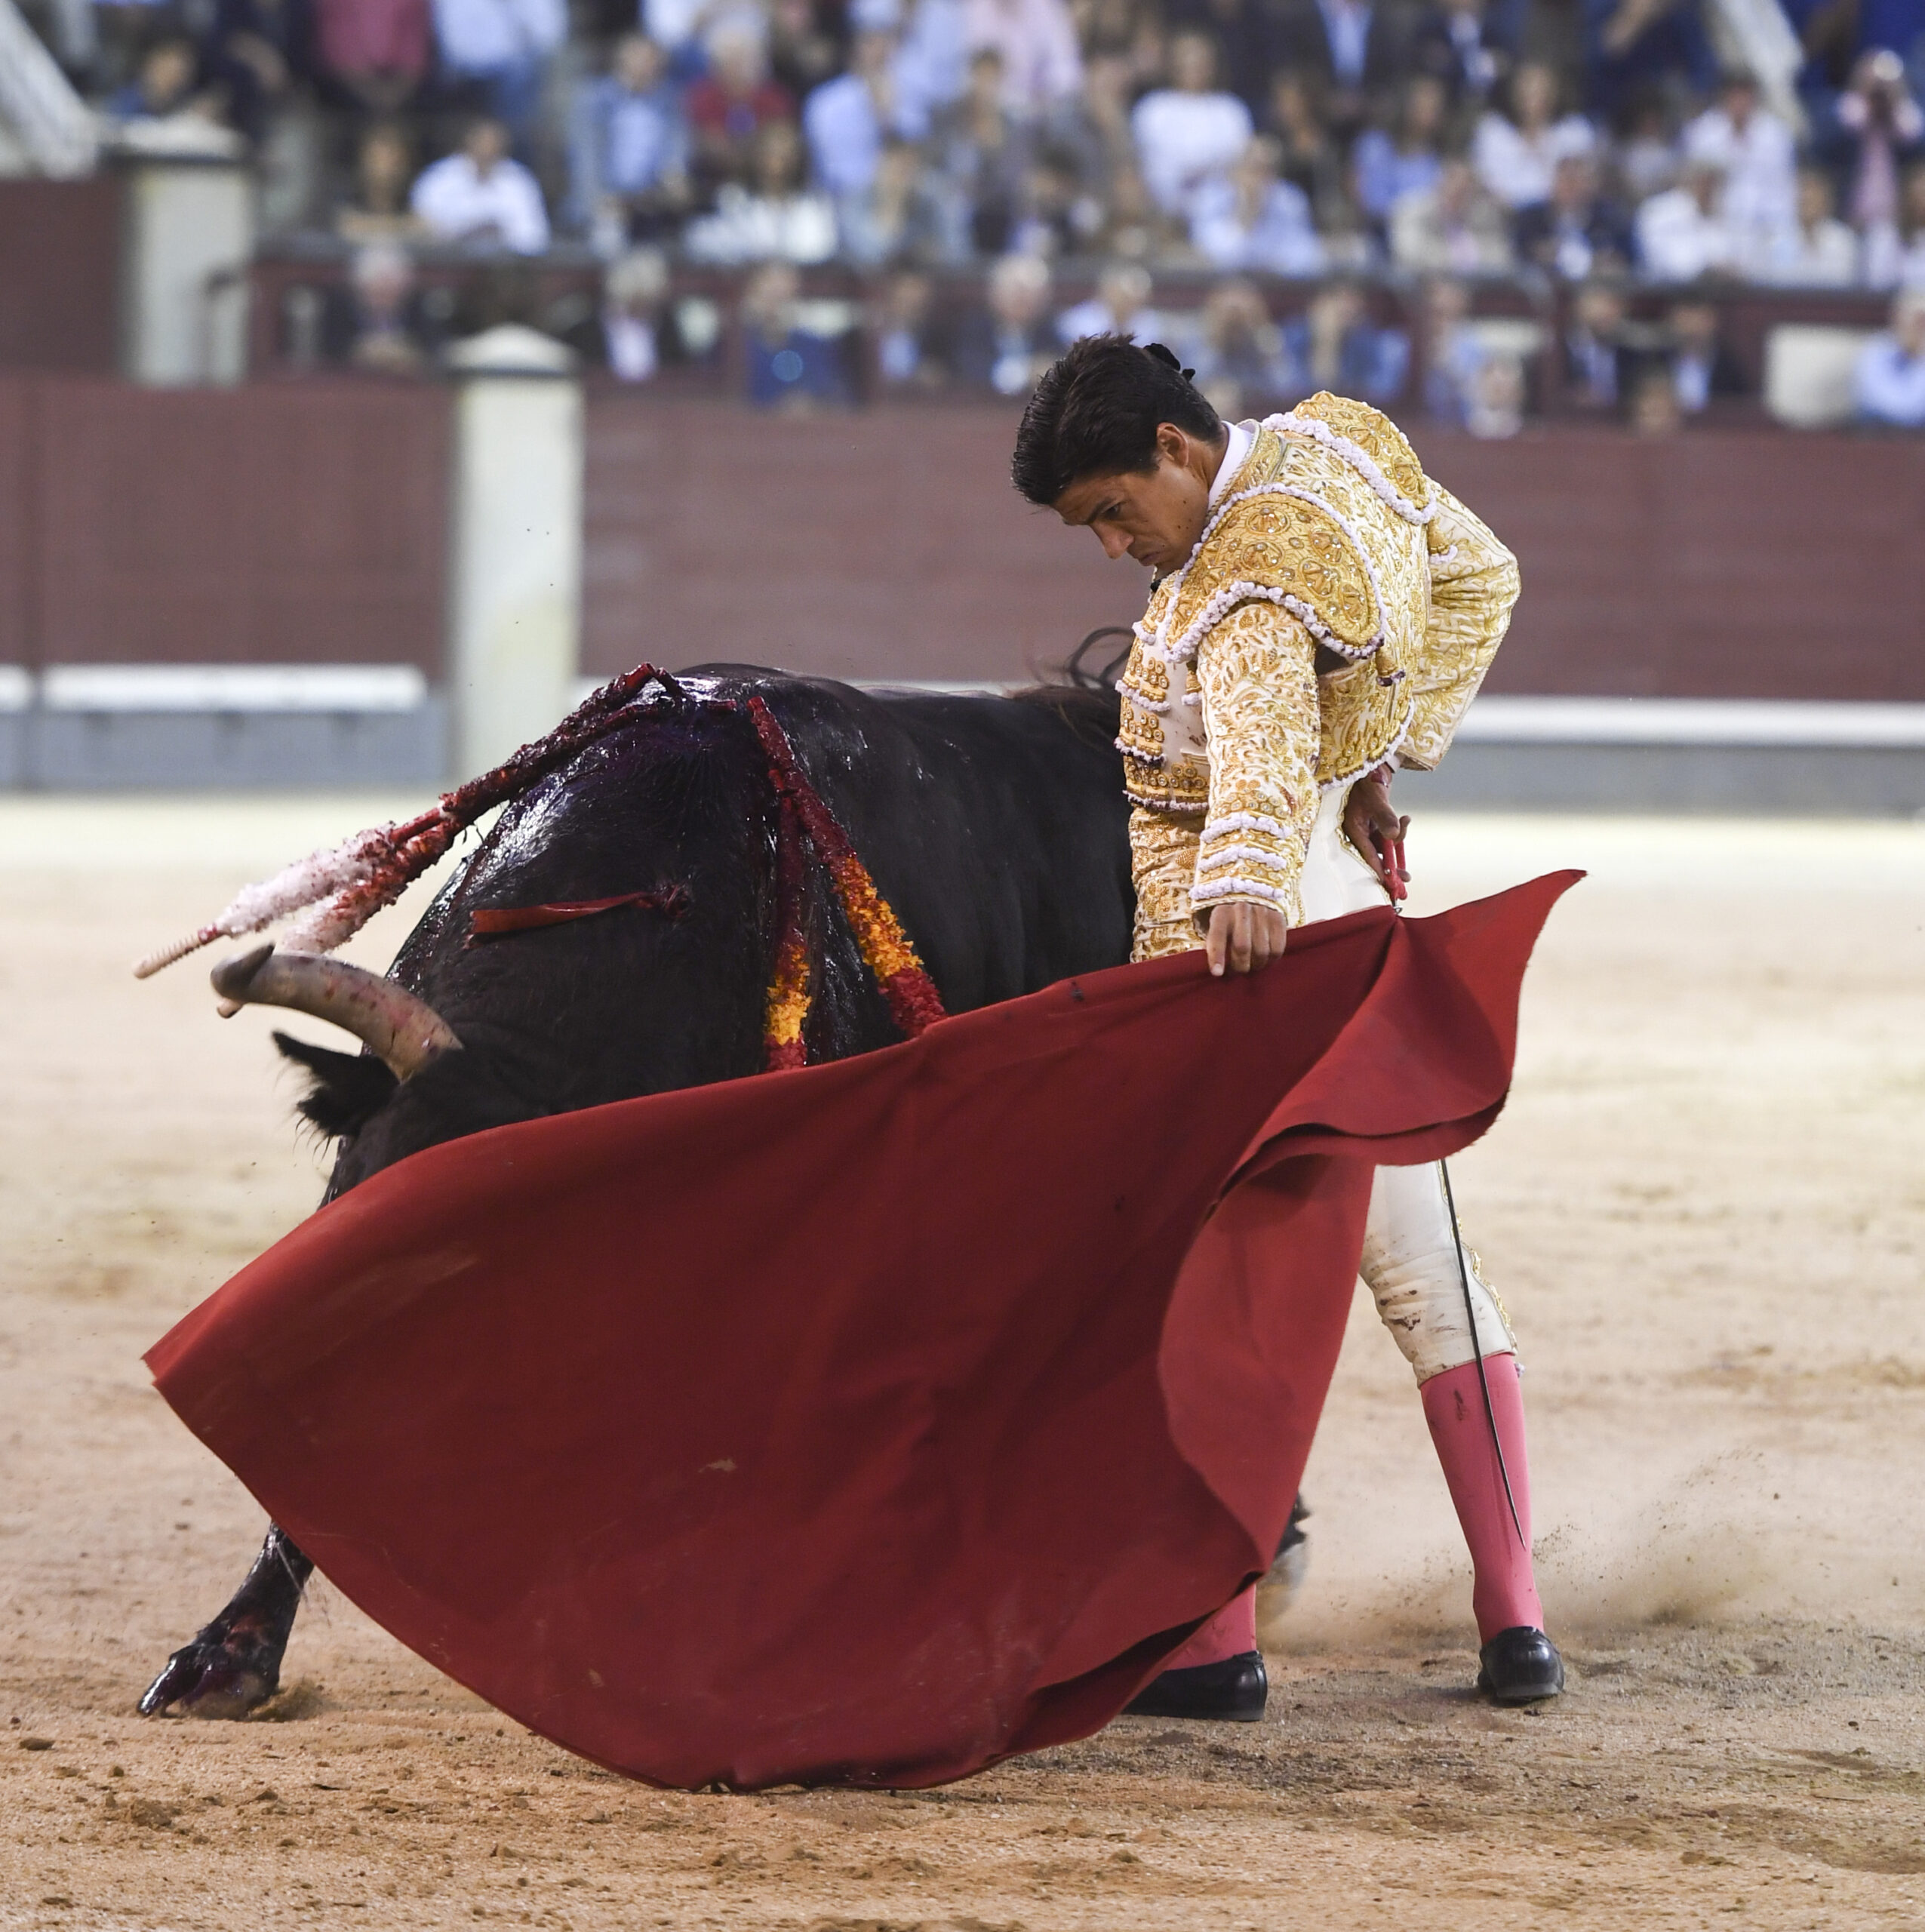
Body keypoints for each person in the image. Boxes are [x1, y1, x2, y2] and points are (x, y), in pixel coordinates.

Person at [1011, 339, 1562, 1715]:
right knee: (1427, 1271)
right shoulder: (1337, 443)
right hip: (1350, 911)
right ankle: (1516, 1623)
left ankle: (1212, 1650)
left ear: (1175, 449)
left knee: (1215, 1282)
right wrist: (1374, 757)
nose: (1109, 547)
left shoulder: (1243, 575)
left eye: (1111, 512)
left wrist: (1248, 883)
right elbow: (1479, 575)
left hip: (1257, 956)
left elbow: (1252, 734)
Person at [567, 32, 691, 242]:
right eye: (638, 57)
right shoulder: (594, 100)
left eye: (651, 59)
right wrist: (599, 198)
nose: (645, 65)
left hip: (652, 198)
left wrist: (675, 176)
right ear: (621, 60)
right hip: (607, 196)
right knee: (608, 234)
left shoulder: (669, 102)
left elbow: (676, 147)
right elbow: (586, 158)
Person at [1129, 28, 1253, 217]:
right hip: (1162, 211)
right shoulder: (1152, 108)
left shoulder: (1231, 109)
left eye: (1201, 59)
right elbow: (1139, 165)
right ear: (1172, 62)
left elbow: (1242, 165)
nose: (1194, 65)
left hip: (1223, 212)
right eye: (1187, 57)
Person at [1189, 134, 1326, 275]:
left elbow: (1309, 256)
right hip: (1226, 286)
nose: (1262, 178)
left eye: (1269, 169)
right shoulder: (1210, 199)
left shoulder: (1290, 200)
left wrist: (1274, 267)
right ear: (1236, 169)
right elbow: (1217, 258)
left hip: (1277, 285)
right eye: (1255, 168)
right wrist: (1247, 214)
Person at [410, 114, 551, 251]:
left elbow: (535, 236)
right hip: (449, 265)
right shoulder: (438, 177)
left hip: (506, 266)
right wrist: (468, 232)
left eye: (495, 141)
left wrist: (499, 235)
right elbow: (423, 229)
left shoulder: (519, 179)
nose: (489, 147)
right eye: (484, 140)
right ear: (469, 140)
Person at [1635, 155, 1736, 279]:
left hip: (1718, 288)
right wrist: (1707, 269)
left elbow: (1728, 257)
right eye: (1707, 183)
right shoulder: (1660, 210)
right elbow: (1665, 260)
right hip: (1667, 289)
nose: (1711, 191)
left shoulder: (1718, 214)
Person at [1854, 285, 1925, 424]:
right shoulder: (1874, 351)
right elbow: (1899, 410)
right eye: (1917, 319)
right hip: (1879, 436)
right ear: (1897, 317)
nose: (1919, 327)